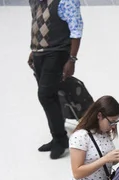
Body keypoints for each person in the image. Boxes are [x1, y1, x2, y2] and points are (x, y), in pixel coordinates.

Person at [28, 0, 83, 159]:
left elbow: (76, 29)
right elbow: (39, 22)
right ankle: (57, 137)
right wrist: (34, 49)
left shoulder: (66, 1)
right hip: (40, 53)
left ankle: (60, 139)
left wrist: (71, 59)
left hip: (57, 52)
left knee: (45, 95)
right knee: (50, 96)